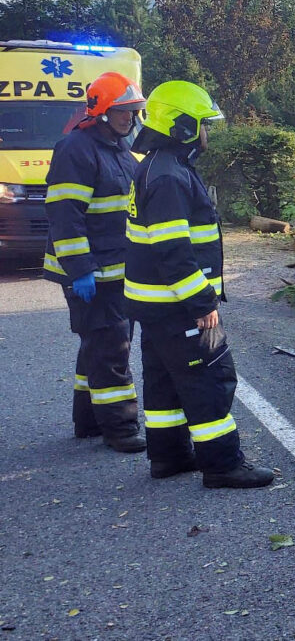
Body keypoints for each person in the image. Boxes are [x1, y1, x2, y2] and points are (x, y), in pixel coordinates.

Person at [125, 80, 273, 488]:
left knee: (164, 381)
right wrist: (202, 301)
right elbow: (174, 252)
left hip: (155, 305)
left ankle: (169, 457)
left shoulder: (158, 165)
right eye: (202, 124)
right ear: (182, 127)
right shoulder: (170, 175)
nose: (207, 134)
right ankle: (223, 464)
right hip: (178, 304)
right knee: (209, 376)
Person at [44, 72, 146, 452]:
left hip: (113, 268)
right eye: (123, 111)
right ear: (101, 111)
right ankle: (119, 428)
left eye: (134, 111)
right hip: (90, 271)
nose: (130, 118)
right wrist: (81, 269)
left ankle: (88, 421)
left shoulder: (119, 148)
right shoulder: (76, 148)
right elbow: (64, 214)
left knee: (98, 344)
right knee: (111, 348)